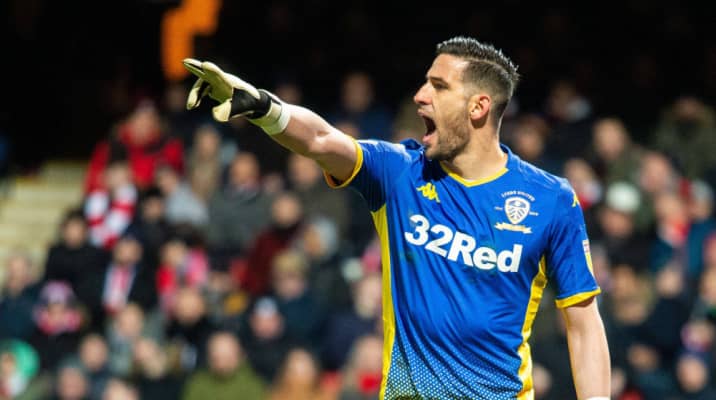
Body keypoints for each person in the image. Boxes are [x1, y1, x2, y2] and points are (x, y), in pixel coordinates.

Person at [182, 36, 610, 399]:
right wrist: (265, 108)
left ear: (478, 106)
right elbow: (321, 139)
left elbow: (584, 325)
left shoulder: (550, 200)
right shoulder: (400, 173)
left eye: (438, 86)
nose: (420, 95)